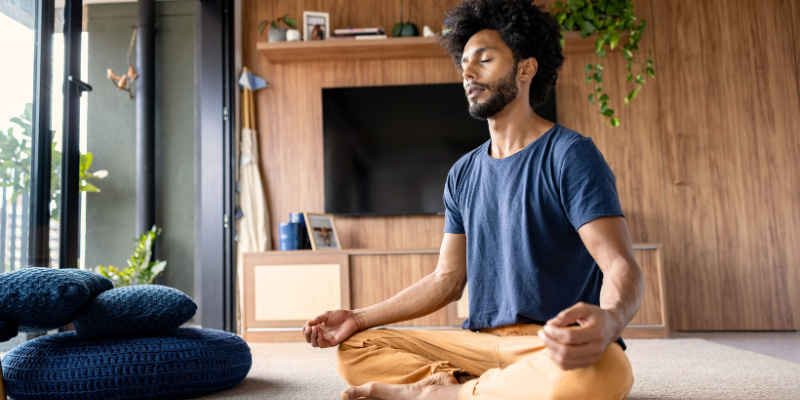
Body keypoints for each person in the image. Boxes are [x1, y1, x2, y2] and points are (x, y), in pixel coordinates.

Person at [302, 0, 644, 399]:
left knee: (606, 369)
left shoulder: (570, 155)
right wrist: (357, 318)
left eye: (484, 59)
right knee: (355, 349)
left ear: (525, 68)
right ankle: (466, 385)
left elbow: (620, 264)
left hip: (549, 343)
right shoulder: (463, 173)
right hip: (477, 345)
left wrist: (610, 320)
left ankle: (446, 394)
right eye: (464, 62)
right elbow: (447, 280)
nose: (467, 72)